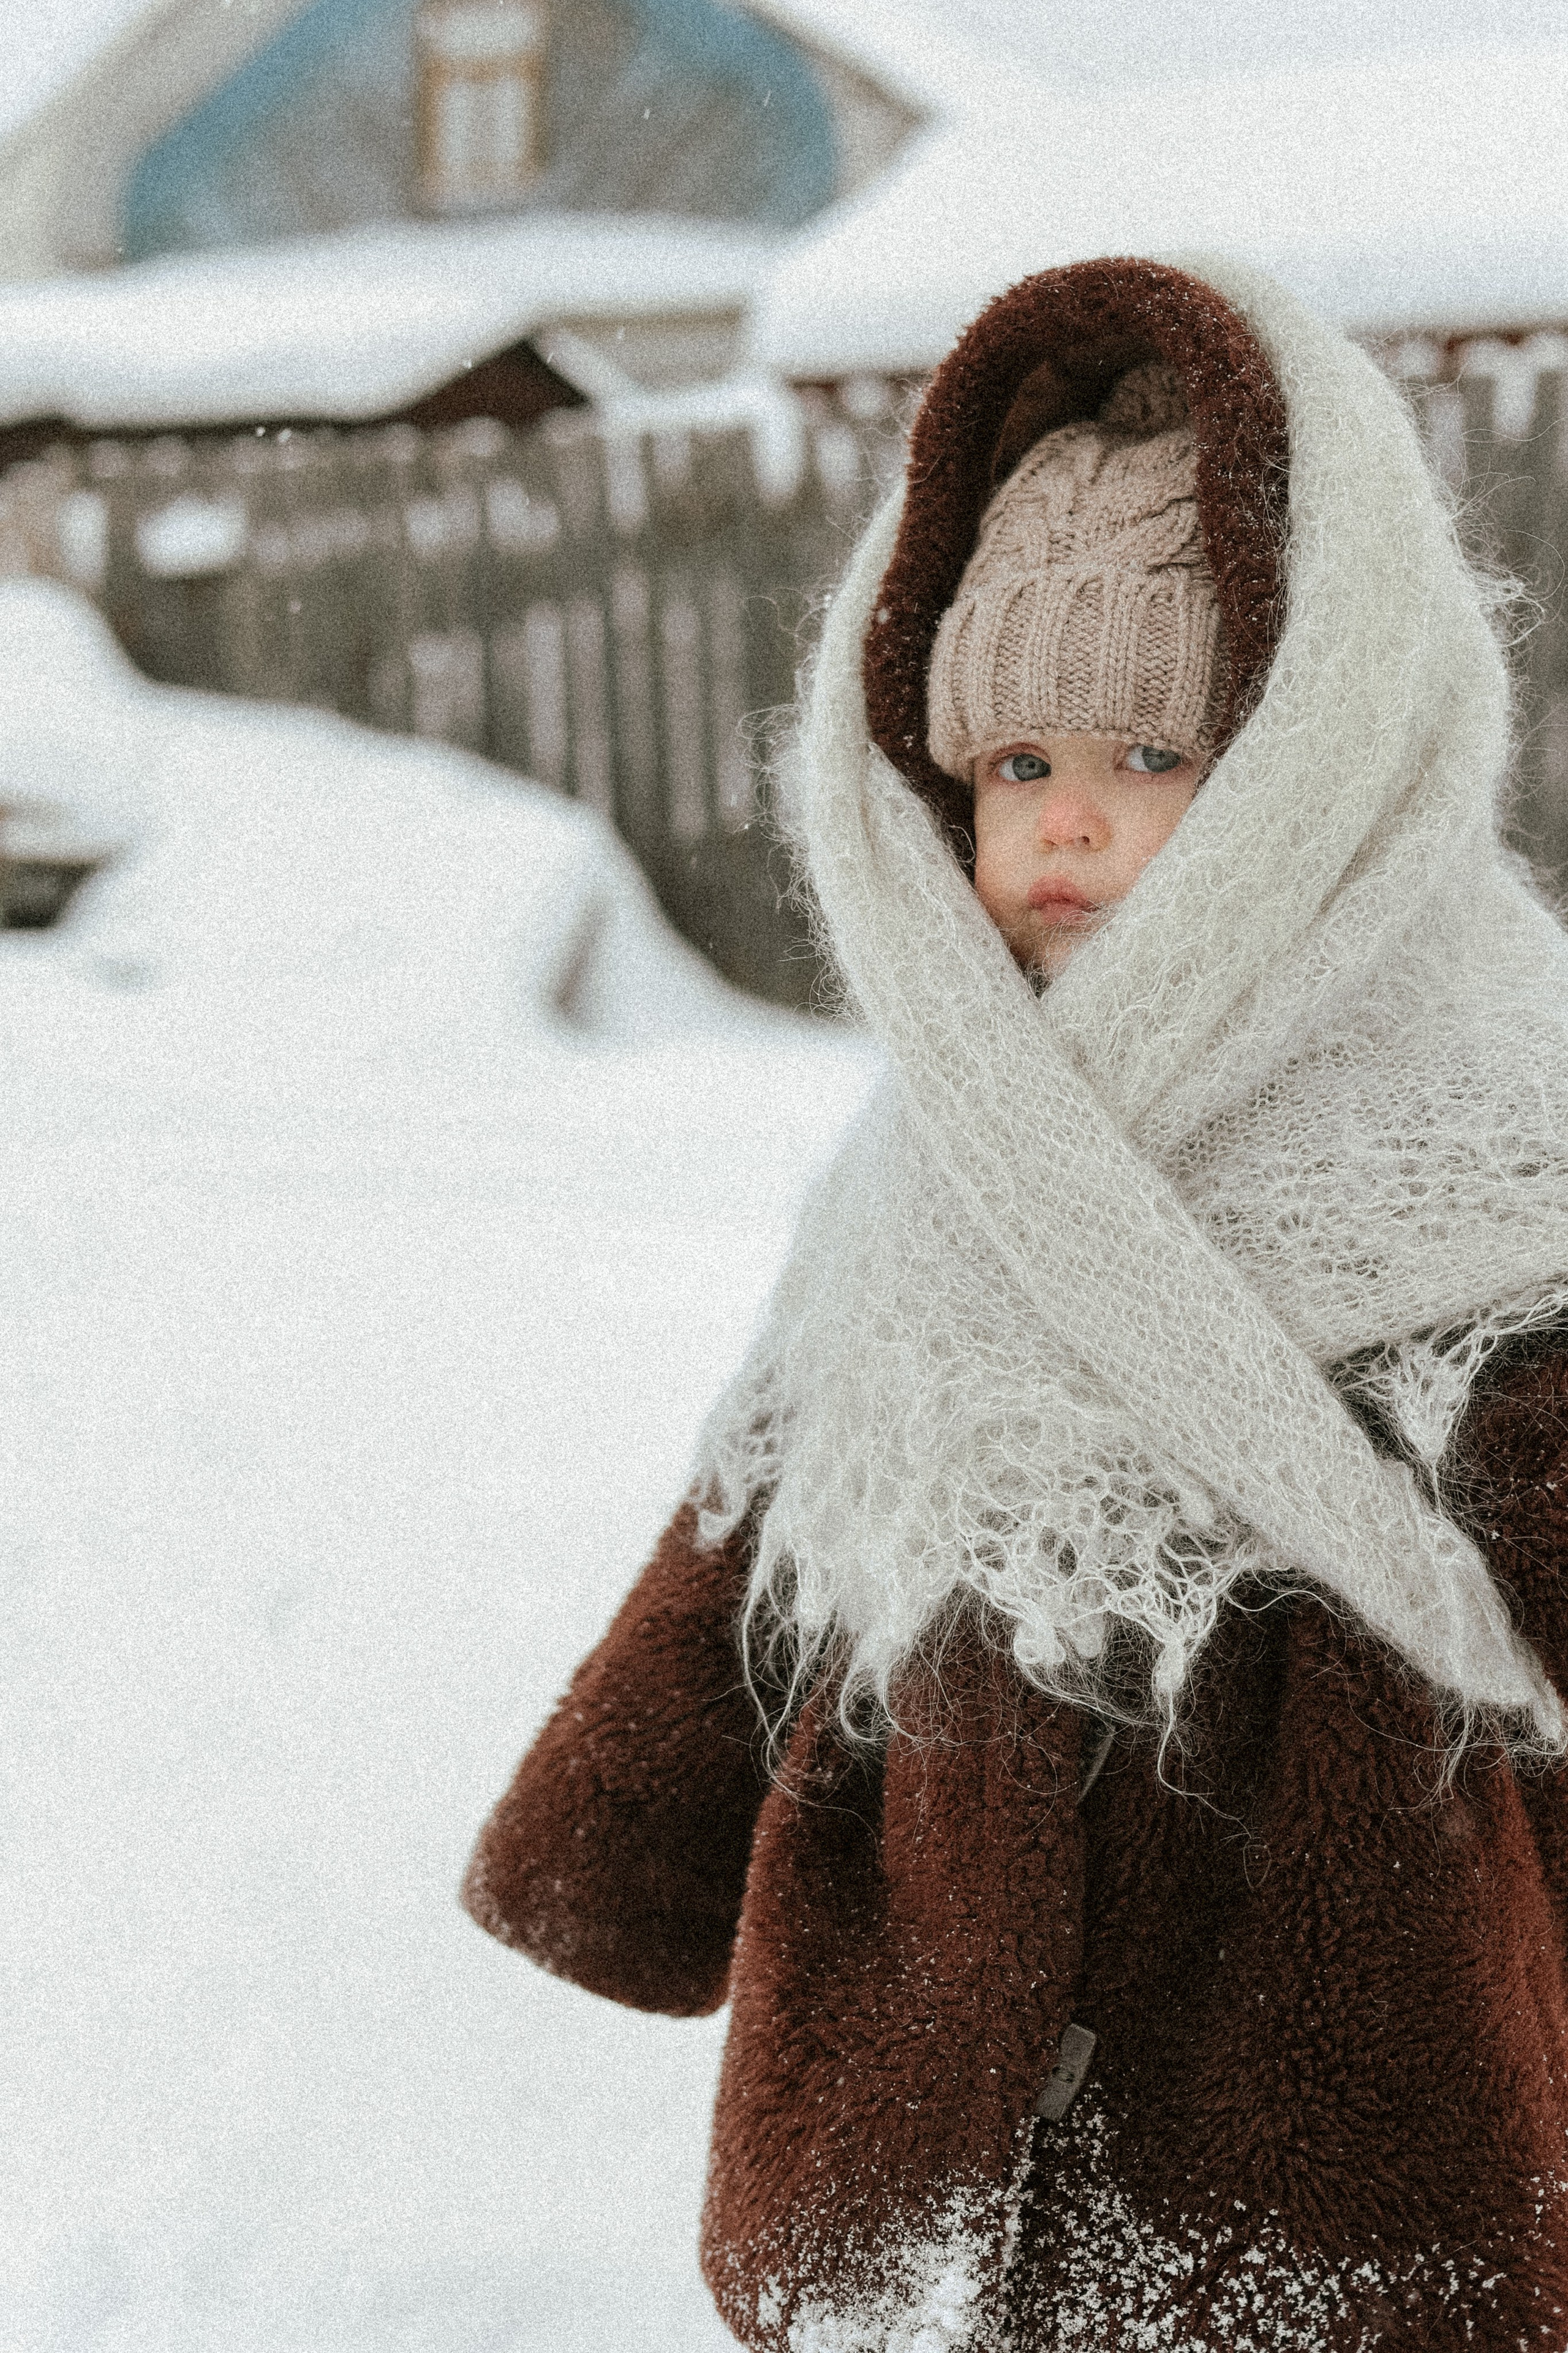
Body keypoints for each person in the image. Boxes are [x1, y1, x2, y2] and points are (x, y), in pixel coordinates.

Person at [461, 257, 1568, 2349]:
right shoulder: (950, 1135)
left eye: (1152, 750)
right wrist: (621, 1833)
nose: (1061, 817)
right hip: (929, 2043)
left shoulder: (1494, 1120)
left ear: (1315, 765)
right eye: (1011, 759)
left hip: (1358, 2014)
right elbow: (783, 1502)